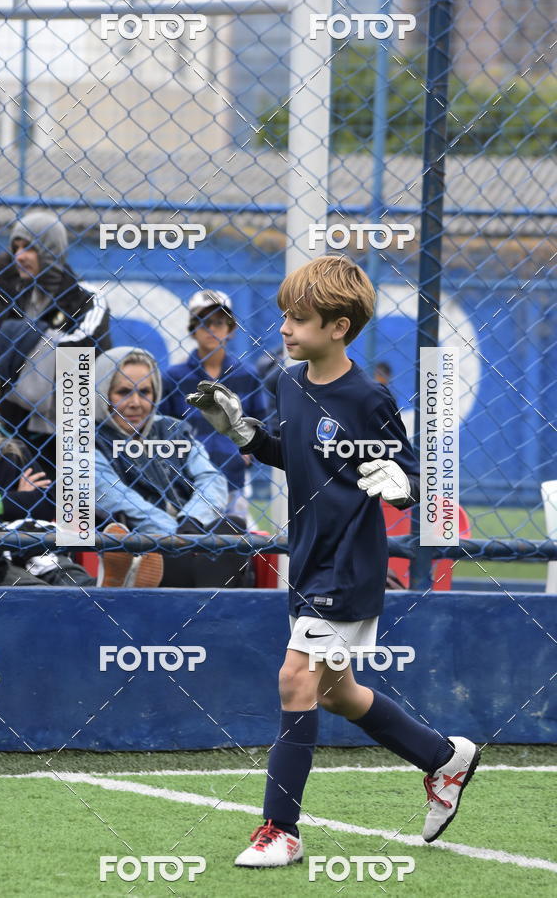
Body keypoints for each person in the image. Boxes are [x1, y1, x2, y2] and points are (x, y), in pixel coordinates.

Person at [188, 254, 479, 867]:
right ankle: (444, 758)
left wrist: (399, 481)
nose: (286, 330)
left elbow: (415, 475)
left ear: (339, 326)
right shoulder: (288, 383)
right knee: (337, 692)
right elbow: (290, 454)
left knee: (296, 679)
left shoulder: (368, 399)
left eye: (299, 319)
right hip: (308, 558)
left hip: (349, 564)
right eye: (285, 318)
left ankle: (280, 831)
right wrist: (242, 432)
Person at [0, 210, 111, 480]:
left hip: (69, 419)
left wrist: (16, 340)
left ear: (51, 250)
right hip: (9, 421)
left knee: (73, 504)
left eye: (29, 248)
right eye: (16, 248)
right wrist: (48, 338)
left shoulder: (87, 298)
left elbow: (84, 351)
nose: (19, 256)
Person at [95, 346, 250, 588]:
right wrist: (179, 537)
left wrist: (192, 522)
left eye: (145, 392)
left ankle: (201, 613)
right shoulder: (87, 440)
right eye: (123, 392)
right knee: (203, 556)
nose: (136, 403)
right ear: (102, 394)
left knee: (232, 525)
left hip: (193, 536)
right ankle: (209, 618)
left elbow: (211, 479)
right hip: (144, 546)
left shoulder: (172, 429)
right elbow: (119, 500)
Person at [0, 357, 93, 587]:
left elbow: (46, 505)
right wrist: (17, 502)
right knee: (33, 590)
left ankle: (101, 589)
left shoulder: (12, 452)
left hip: (26, 546)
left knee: (70, 576)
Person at [159, 290, 267, 523]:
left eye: (219, 322)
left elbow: (260, 420)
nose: (211, 329)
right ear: (192, 329)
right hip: (187, 481)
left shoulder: (247, 375)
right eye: (203, 322)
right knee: (186, 540)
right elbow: (162, 425)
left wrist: (251, 451)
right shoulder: (173, 377)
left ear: (230, 329)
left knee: (232, 545)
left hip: (233, 479)